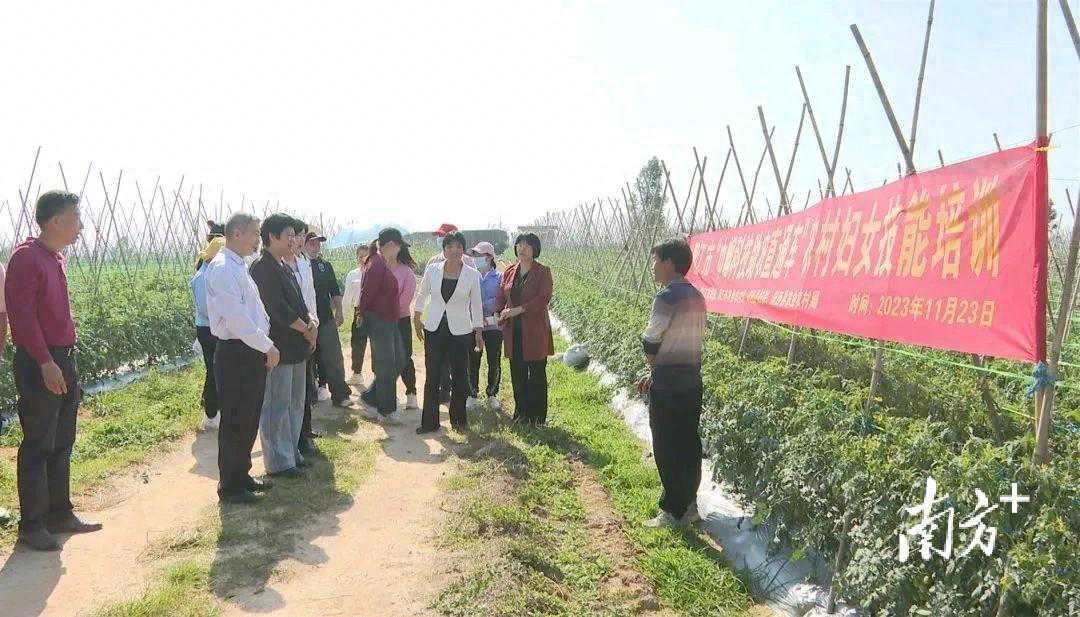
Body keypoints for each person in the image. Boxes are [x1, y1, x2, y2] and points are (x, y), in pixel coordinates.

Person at [5, 190, 100, 551]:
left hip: (62, 358)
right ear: (56, 220)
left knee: (62, 439)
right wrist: (46, 362)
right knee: (39, 442)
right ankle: (32, 525)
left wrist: (60, 361)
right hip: (39, 362)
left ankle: (59, 513)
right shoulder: (26, 258)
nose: (81, 225)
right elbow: (23, 318)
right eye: (76, 217)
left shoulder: (53, 257)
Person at [205, 213, 280, 504]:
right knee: (236, 420)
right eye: (255, 233)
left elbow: (253, 311)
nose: (258, 239)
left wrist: (263, 343)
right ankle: (231, 487)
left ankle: (242, 475)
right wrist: (267, 346)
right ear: (237, 233)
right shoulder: (223, 268)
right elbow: (237, 319)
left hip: (249, 349)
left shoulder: (239, 265)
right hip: (236, 352)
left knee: (249, 418)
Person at [634, 239, 706, 527]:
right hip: (692, 380)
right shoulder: (697, 296)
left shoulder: (666, 297)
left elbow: (652, 339)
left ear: (668, 262)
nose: (652, 266)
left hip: (668, 383)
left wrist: (654, 368)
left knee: (666, 444)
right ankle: (690, 506)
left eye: (655, 260)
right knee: (688, 443)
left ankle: (673, 510)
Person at [250, 214, 317, 480]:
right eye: (289, 235)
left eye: (294, 235)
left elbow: (299, 303)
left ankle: (291, 453)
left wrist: (310, 324)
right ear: (272, 237)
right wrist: (306, 329)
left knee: (294, 403)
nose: (294, 240)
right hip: (279, 347)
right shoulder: (262, 268)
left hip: (296, 347)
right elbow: (278, 309)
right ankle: (278, 461)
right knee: (276, 405)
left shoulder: (284, 266)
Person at [414, 231, 484, 434]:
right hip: (434, 328)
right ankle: (429, 423)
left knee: (460, 376)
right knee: (433, 375)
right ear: (444, 250)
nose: (454, 250)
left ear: (463, 250)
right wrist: (416, 317)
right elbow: (422, 294)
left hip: (461, 331)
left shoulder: (471, 274)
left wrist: (478, 332)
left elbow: (476, 305)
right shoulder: (432, 270)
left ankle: (459, 421)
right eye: (449, 247)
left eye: (458, 247)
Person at [496, 233, 553, 426]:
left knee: (536, 373)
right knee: (517, 372)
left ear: (535, 249)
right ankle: (521, 413)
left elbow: (543, 299)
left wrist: (518, 310)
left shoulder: (543, 272)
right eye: (519, 244)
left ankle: (537, 418)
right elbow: (501, 295)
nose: (522, 248)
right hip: (514, 331)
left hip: (535, 330)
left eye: (527, 245)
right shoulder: (510, 271)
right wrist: (499, 312)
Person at [355, 230, 404, 422]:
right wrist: (360, 314)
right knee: (386, 364)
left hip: (389, 320)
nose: (399, 250)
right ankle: (386, 410)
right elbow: (366, 291)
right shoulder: (375, 263)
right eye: (399, 246)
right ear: (390, 245)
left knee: (399, 360)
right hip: (379, 320)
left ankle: (370, 398)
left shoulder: (381, 262)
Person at [304, 230, 352, 407]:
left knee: (334, 357)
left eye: (318, 243)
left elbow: (334, 290)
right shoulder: (298, 264)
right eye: (312, 243)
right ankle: (309, 398)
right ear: (303, 244)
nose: (316, 246)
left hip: (325, 317)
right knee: (307, 360)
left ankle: (340, 395)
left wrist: (339, 311)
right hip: (304, 320)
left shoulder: (324, 265)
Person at [191, 235, 227, 430]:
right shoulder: (203, 277)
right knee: (214, 371)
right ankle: (211, 414)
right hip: (209, 329)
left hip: (213, 327)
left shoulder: (210, 273)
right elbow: (206, 309)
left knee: (217, 370)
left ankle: (214, 410)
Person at [466, 241, 503, 411]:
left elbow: (500, 299)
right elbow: (467, 298)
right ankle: (472, 393)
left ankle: (492, 394)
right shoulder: (470, 275)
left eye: (479, 255)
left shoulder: (500, 277)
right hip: (474, 325)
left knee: (493, 361)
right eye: (474, 255)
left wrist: (480, 305)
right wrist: (477, 308)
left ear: (489, 257)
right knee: (473, 360)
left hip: (494, 326)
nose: (475, 258)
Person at [386, 235, 419, 410]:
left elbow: (404, 301)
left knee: (404, 357)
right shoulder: (379, 269)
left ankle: (411, 392)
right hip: (381, 321)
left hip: (400, 320)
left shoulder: (407, 272)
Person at [341, 243, 370, 387]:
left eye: (366, 256)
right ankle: (357, 374)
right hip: (359, 312)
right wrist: (342, 314)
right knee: (357, 343)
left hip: (375, 311)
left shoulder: (377, 273)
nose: (363, 259)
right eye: (360, 256)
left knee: (377, 345)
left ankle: (379, 378)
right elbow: (347, 297)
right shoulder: (352, 274)